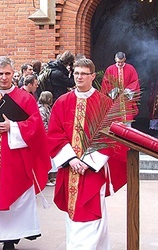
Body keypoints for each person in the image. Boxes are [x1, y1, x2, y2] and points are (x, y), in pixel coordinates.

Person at [0, 56, 51, 250]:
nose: (4, 78)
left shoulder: (25, 98)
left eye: (7, 73)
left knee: (15, 199)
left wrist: (12, 127)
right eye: (0, 74)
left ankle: (10, 240)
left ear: (13, 74)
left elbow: (36, 126)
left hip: (14, 160)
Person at [47, 58, 127, 249]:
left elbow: (110, 136)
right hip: (70, 168)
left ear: (92, 76)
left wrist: (89, 161)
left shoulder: (104, 103)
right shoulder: (62, 102)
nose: (79, 77)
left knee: (91, 212)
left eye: (83, 73)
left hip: (92, 170)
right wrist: (71, 159)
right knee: (73, 217)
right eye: (76, 73)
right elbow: (55, 132)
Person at [101, 51, 140, 124]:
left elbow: (135, 81)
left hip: (126, 99)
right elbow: (106, 84)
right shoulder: (110, 69)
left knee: (127, 123)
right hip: (115, 100)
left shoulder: (131, 68)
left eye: (122, 62)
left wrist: (128, 90)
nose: (120, 64)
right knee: (114, 122)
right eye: (118, 62)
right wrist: (114, 90)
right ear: (115, 59)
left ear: (125, 59)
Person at [37, 91, 56, 186]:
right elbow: (43, 123)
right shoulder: (42, 110)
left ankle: (50, 177)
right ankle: (46, 178)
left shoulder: (46, 108)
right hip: (45, 136)